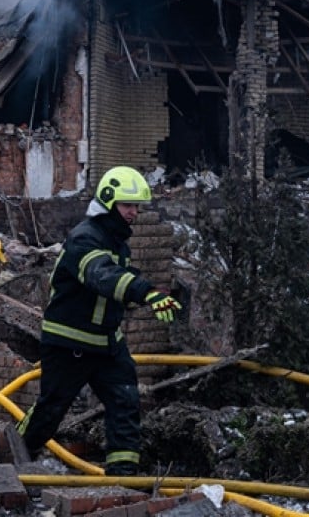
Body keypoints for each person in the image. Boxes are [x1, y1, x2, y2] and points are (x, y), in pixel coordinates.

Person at [16, 166, 183, 475]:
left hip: (106, 343)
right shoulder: (85, 239)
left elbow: (115, 283)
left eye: (136, 206)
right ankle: (13, 458)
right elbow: (102, 276)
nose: (133, 212)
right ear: (108, 202)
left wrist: (145, 295)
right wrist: (145, 292)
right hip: (69, 342)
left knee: (125, 402)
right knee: (51, 410)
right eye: (127, 205)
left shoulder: (118, 242)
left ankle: (123, 476)